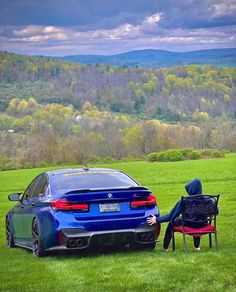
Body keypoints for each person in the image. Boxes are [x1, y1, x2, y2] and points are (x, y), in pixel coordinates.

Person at [147, 178, 204, 252]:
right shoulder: (208, 200)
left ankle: (165, 248)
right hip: (202, 224)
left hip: (188, 225)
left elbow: (171, 216)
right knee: (197, 219)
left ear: (191, 190)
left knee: (171, 223)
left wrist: (157, 220)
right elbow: (216, 211)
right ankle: (197, 247)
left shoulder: (184, 201)